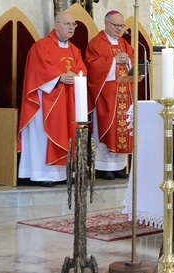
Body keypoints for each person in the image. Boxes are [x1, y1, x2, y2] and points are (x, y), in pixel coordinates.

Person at [18, 12, 87, 187]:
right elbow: (38, 70)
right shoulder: (41, 46)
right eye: (67, 24)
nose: (71, 28)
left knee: (67, 133)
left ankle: (62, 173)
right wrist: (59, 77)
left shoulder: (75, 50)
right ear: (56, 25)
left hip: (68, 100)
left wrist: (76, 76)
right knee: (43, 136)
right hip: (46, 101)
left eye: (74, 24)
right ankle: (41, 174)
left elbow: (82, 70)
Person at [84, 10, 134, 180]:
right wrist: (113, 61)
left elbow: (133, 63)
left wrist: (128, 61)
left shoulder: (125, 44)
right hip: (105, 94)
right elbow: (92, 67)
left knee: (123, 129)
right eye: (116, 25)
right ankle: (103, 167)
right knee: (107, 127)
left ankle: (120, 166)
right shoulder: (96, 43)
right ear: (106, 24)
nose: (119, 29)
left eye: (121, 25)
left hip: (124, 95)